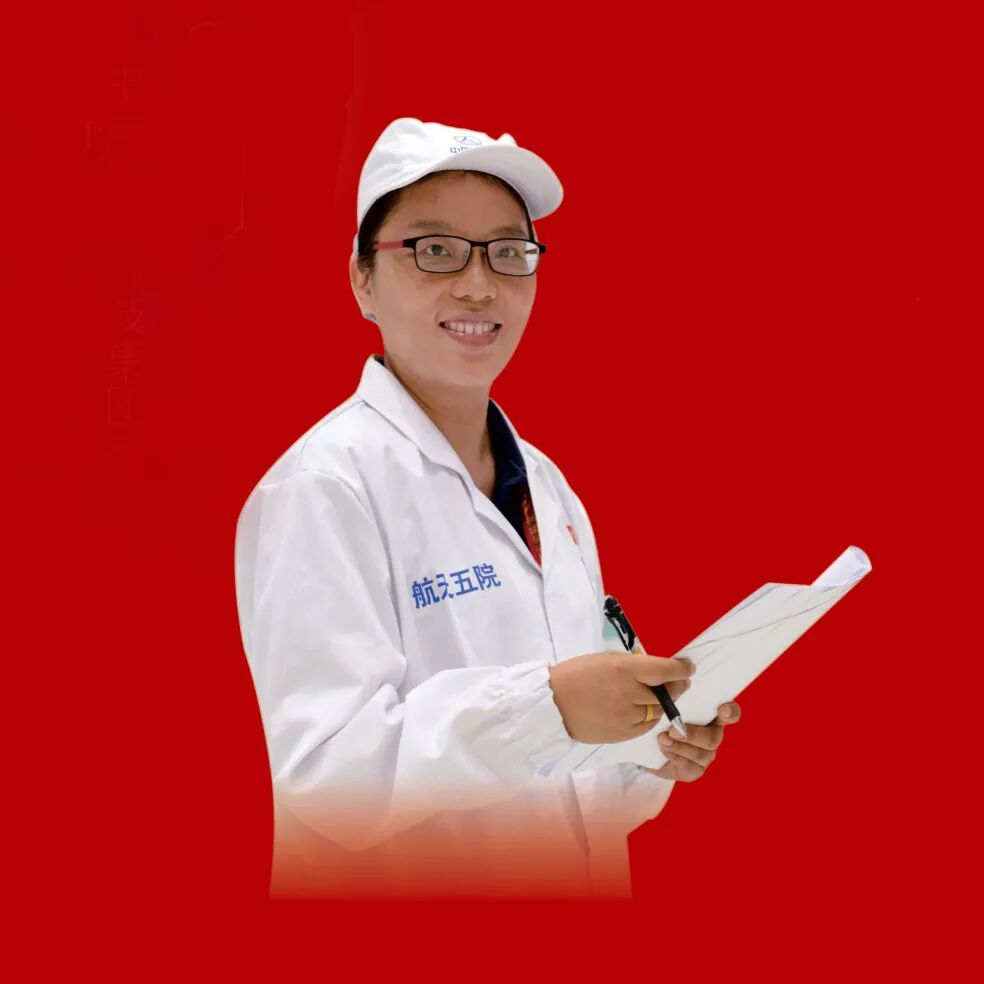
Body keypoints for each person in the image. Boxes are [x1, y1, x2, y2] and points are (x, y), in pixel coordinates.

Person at [234, 117, 741, 899]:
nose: (479, 285)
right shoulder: (324, 487)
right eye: (435, 250)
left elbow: (576, 792)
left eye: (507, 252)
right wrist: (548, 707)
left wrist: (651, 741)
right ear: (362, 280)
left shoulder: (549, 489)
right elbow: (329, 779)